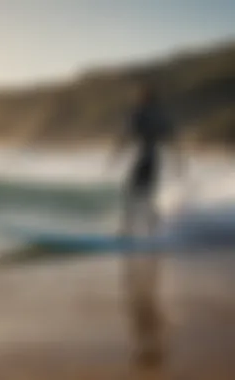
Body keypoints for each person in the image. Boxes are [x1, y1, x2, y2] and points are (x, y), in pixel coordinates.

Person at [113, 81, 182, 366]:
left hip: (144, 159)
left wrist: (114, 153)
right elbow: (172, 139)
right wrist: (179, 161)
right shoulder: (160, 115)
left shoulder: (141, 113)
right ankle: (154, 232)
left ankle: (129, 231)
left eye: (138, 95)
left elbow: (126, 135)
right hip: (154, 160)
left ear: (144, 96)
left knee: (131, 193)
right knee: (147, 195)